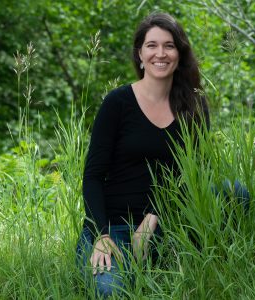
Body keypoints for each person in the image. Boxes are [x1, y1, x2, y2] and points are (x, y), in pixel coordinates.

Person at [76, 12, 209, 297]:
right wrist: (101, 234)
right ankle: (128, 264)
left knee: (235, 193)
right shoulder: (117, 103)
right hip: (115, 227)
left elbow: (196, 173)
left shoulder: (195, 105)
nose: (160, 53)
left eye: (169, 45)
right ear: (140, 53)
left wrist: (155, 216)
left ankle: (179, 258)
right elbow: (93, 176)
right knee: (110, 292)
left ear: (179, 53)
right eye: (152, 45)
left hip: (170, 223)